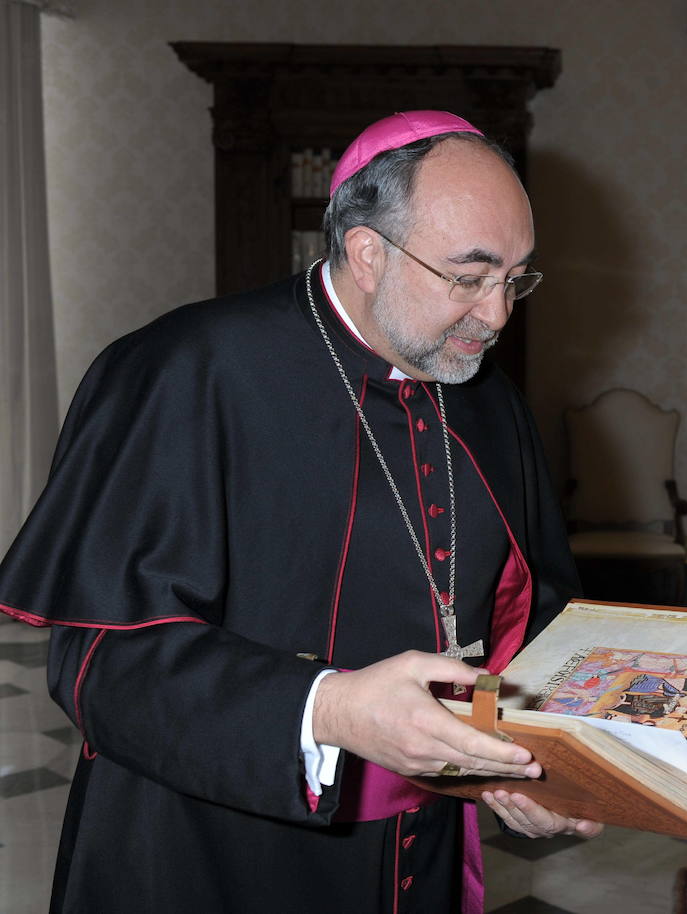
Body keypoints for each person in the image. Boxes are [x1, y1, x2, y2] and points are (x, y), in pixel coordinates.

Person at [0, 110, 600, 913]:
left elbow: (534, 617)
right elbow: (100, 668)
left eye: (516, 278)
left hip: (413, 857)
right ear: (366, 253)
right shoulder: (185, 372)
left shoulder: (486, 401)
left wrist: (527, 762)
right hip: (201, 853)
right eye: (468, 276)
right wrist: (332, 708)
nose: (497, 316)